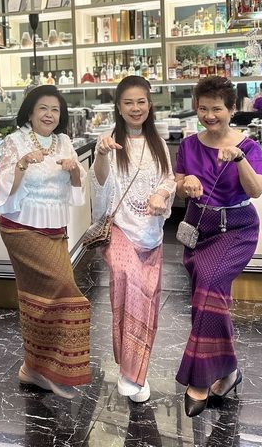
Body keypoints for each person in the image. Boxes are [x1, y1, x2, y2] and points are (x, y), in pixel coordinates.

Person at [174, 76, 262, 417]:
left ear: (231, 109)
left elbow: (256, 190)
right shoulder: (188, 145)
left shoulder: (248, 146)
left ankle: (199, 381)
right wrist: (187, 182)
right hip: (200, 228)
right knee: (207, 299)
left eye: (217, 109)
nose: (210, 115)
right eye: (203, 109)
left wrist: (240, 160)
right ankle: (228, 373)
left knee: (210, 284)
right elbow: (178, 184)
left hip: (237, 229)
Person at [0, 85, 90, 399]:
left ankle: (33, 368)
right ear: (31, 112)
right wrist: (22, 163)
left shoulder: (64, 142)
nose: (49, 115)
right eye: (43, 108)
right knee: (64, 287)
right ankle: (56, 368)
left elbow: (77, 186)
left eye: (55, 110)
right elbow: (4, 187)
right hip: (21, 228)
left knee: (38, 297)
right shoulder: (15, 140)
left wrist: (74, 170)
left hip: (55, 229)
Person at [89, 76, 176, 403]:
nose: (135, 108)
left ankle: (137, 371)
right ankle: (129, 371)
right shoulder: (110, 142)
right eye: (128, 102)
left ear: (149, 105)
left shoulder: (158, 143)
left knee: (146, 300)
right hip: (120, 230)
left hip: (150, 232)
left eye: (141, 101)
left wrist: (161, 194)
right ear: (119, 107)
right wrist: (100, 154)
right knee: (128, 284)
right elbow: (100, 184)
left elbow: (168, 179)